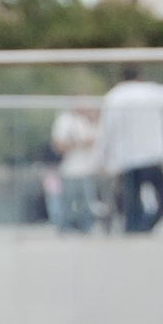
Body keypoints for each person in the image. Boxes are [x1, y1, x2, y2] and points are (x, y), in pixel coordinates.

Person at [95, 72, 163, 233]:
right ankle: (143, 225)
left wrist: (102, 159)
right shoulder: (149, 92)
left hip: (128, 158)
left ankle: (137, 227)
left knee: (132, 199)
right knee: (162, 198)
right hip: (150, 157)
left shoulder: (114, 97)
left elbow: (106, 132)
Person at [48, 100, 99, 234]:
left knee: (87, 205)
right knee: (67, 203)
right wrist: (80, 142)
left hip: (86, 170)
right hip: (68, 170)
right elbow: (59, 145)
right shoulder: (64, 121)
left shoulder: (86, 122)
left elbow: (93, 142)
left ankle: (86, 229)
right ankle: (63, 229)